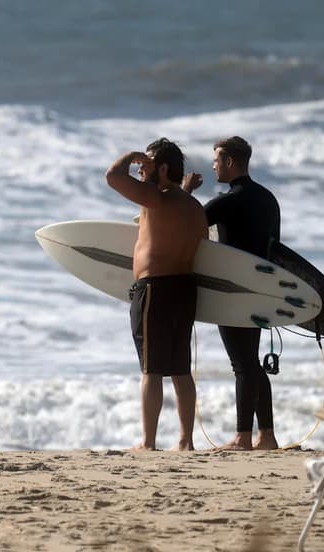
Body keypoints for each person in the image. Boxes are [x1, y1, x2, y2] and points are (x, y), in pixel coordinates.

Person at [105, 138, 208, 451]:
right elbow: (179, 223)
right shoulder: (192, 207)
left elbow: (112, 176)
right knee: (180, 369)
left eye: (146, 164)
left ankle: (148, 442)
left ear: (162, 168)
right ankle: (185, 441)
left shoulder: (155, 200)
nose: (140, 169)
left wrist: (131, 155)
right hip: (185, 289)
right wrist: (184, 188)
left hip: (154, 291)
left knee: (151, 369)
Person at [182, 136, 280, 451]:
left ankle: (242, 438)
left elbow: (185, 223)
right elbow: (275, 248)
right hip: (261, 288)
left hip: (233, 291)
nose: (212, 166)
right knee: (250, 360)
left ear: (228, 162)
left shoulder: (229, 201)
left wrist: (185, 193)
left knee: (242, 363)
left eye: (216, 160)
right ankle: (266, 435)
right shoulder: (268, 199)